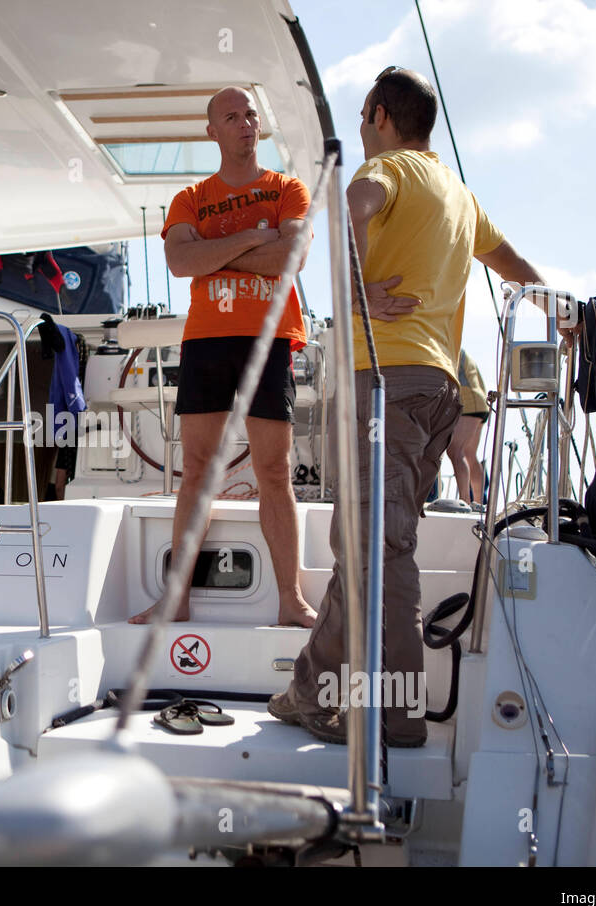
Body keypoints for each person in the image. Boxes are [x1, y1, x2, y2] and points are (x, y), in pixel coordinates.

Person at [267, 67, 563, 746]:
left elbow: (350, 208)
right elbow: (512, 262)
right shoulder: (459, 194)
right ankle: (310, 693)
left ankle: (395, 716)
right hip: (436, 389)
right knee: (365, 546)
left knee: (378, 551)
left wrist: (358, 294)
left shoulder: (391, 169)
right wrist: (559, 312)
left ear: (376, 116)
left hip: (386, 381)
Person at [128, 85, 320, 627]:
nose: (244, 124)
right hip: (206, 341)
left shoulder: (287, 188)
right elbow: (179, 262)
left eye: (250, 115)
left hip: (269, 339)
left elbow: (293, 256)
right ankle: (176, 598)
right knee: (196, 473)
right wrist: (255, 240)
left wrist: (214, 250)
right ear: (212, 131)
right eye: (231, 117)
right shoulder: (190, 197)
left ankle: (290, 601)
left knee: (275, 472)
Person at [447, 348, 489, 506]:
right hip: (480, 403)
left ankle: (464, 500)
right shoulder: (462, 351)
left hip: (468, 402)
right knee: (470, 454)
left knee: (455, 450)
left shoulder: (451, 346)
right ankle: (479, 503)